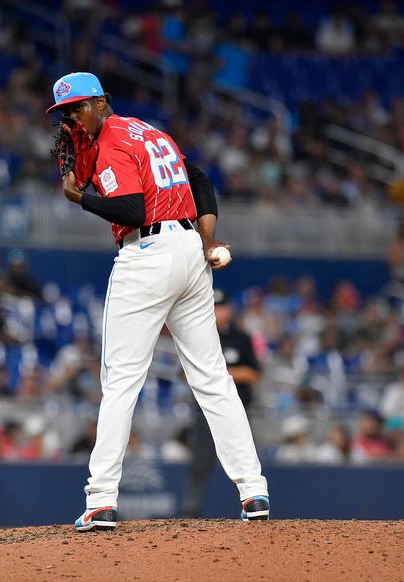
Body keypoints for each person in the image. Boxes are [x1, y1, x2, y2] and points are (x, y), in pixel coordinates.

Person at [47, 72, 268, 531]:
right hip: (189, 252)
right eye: (66, 112)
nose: (73, 118)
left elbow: (132, 211)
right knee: (212, 378)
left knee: (121, 379)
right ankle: (253, 490)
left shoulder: (111, 142)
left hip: (146, 253)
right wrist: (207, 240)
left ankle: (101, 499)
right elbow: (200, 180)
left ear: (103, 102)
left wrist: (79, 197)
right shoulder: (150, 132)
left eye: (79, 107)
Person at [182, 289, 262, 517]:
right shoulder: (198, 336)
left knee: (244, 460)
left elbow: (254, 373)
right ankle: (191, 511)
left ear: (230, 309)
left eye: (222, 306)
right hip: (204, 410)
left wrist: (219, 375)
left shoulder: (242, 338)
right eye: (214, 306)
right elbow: (187, 374)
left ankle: (251, 504)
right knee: (199, 463)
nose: (218, 312)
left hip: (240, 409)